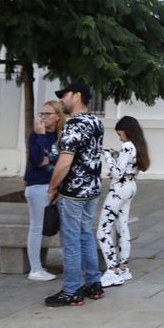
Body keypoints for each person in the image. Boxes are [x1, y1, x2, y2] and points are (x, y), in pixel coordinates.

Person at [46, 82, 108, 307]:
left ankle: (71, 289)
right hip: (91, 190)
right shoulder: (96, 122)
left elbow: (64, 163)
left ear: (77, 96)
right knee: (84, 235)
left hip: (73, 192)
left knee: (71, 241)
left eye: (65, 95)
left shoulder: (73, 126)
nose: (62, 99)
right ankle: (93, 283)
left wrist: (52, 188)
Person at [99, 116, 149, 287]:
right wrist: (116, 157)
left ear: (127, 132)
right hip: (130, 187)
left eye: (120, 134)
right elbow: (128, 169)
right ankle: (124, 267)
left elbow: (118, 172)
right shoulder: (137, 147)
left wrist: (107, 156)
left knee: (103, 230)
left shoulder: (127, 146)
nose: (119, 137)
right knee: (122, 226)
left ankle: (112, 270)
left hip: (118, 190)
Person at [23, 100, 63, 281]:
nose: (44, 117)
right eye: (42, 114)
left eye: (48, 114)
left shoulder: (61, 137)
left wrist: (51, 160)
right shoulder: (36, 136)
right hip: (38, 185)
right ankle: (35, 269)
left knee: (60, 225)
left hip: (57, 186)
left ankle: (69, 263)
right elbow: (38, 160)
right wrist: (39, 137)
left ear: (58, 116)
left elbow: (64, 162)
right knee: (37, 226)